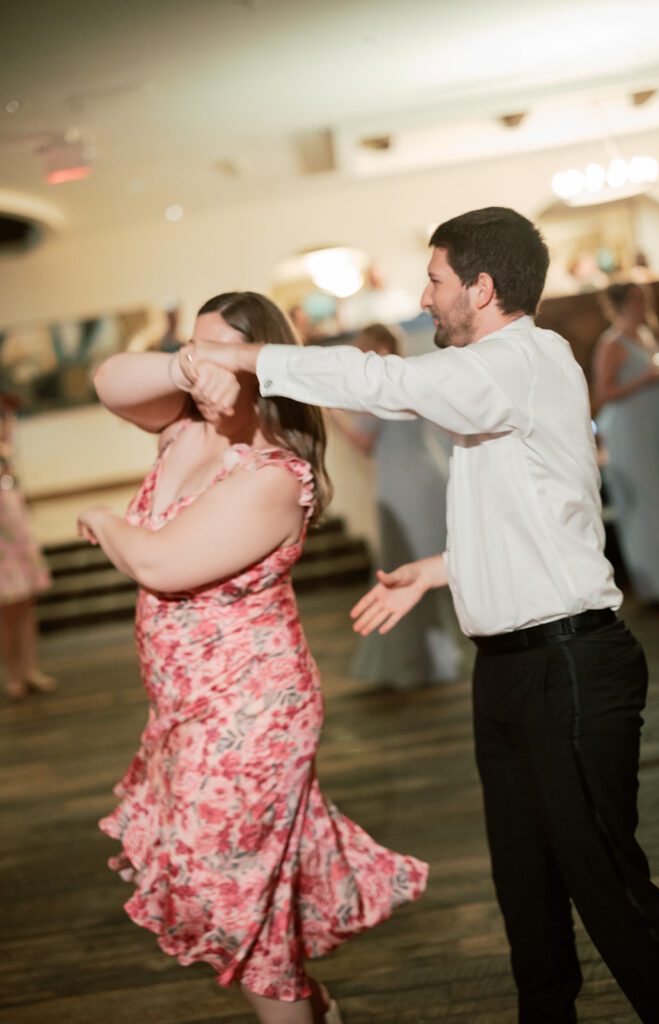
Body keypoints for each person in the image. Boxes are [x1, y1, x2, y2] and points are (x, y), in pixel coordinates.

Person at [186, 210, 659, 1024]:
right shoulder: (498, 375)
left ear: (480, 289)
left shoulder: (520, 358)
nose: (424, 298)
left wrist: (245, 357)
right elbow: (542, 514)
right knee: (525, 891)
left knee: (609, 891)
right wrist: (442, 568)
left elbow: (386, 386)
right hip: (512, 669)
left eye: (435, 281)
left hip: (567, 669)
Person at [78, 292, 428, 1024]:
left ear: (261, 363)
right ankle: (309, 1004)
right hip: (182, 709)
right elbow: (107, 380)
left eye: (220, 351)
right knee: (236, 897)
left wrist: (106, 521)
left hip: (250, 715)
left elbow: (160, 564)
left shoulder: (274, 476)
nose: (201, 364)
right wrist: (184, 366)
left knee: (224, 891)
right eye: (192, 347)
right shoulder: (182, 429)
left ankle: (300, 1005)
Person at [329, 323, 461, 690]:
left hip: (405, 486)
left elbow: (362, 440)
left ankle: (416, 660)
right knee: (415, 564)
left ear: (381, 347)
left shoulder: (386, 382)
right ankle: (427, 657)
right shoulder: (407, 376)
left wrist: (329, 412)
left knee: (405, 566)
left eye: (363, 348)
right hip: (423, 477)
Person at [593, 282, 659, 608]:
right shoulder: (612, 343)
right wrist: (644, 380)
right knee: (647, 504)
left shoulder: (647, 333)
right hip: (631, 432)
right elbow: (604, 392)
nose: (644, 302)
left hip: (657, 429)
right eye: (636, 298)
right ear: (621, 303)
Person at [0, 391, 55, 701]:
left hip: (17, 534)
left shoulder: (8, 452)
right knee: (6, 613)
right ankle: (14, 674)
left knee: (26, 608)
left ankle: (31, 669)